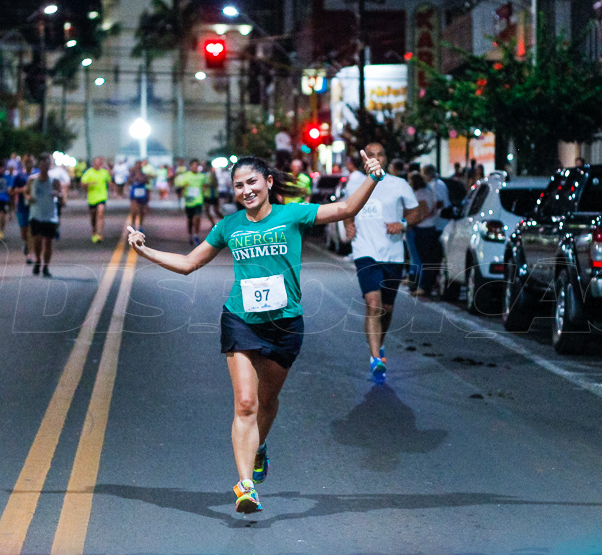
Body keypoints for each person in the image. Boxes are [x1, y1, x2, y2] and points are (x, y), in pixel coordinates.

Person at [125, 150, 386, 514]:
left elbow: (344, 210)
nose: (246, 190)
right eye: (238, 186)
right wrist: (144, 250)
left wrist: (374, 177)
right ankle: (246, 486)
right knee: (245, 402)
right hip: (241, 319)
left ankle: (259, 446)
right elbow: (188, 264)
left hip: (284, 324)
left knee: (268, 400)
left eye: (252, 182)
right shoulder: (228, 227)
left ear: (267, 183)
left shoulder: (292, 214)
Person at [344, 142, 423, 384]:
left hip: (392, 253)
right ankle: (376, 358)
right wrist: (348, 223)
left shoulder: (398, 184)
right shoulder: (355, 182)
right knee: (373, 303)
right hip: (364, 250)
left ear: (386, 159)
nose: (376, 158)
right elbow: (347, 208)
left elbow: (416, 211)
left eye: (380, 154)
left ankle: (380, 342)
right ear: (364, 159)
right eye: (371, 155)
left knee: (386, 309)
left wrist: (403, 224)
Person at [27, 153, 62, 277]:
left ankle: (46, 267)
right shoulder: (32, 179)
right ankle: (37, 260)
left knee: (48, 242)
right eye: (42, 164)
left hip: (50, 215)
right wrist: (29, 198)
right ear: (39, 165)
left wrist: (56, 193)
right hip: (36, 214)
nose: (44, 167)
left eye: (47, 164)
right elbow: (26, 193)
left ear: (49, 165)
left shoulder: (54, 180)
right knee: (37, 240)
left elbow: (60, 194)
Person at [408, 172, 442, 298]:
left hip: (422, 229)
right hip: (431, 227)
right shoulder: (428, 192)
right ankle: (426, 284)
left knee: (422, 259)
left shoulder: (418, 194)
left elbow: (423, 212)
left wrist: (413, 223)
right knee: (428, 259)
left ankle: (423, 286)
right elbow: (433, 208)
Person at [174, 158, 208, 246]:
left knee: (197, 218)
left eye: (196, 166)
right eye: (193, 166)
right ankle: (190, 235)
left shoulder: (202, 176)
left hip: (198, 200)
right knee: (189, 220)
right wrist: (183, 187)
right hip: (189, 201)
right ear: (190, 167)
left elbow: (204, 186)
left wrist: (204, 194)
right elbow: (179, 186)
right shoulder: (186, 176)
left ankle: (196, 235)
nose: (195, 168)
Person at [11, 154, 35, 265]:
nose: (29, 164)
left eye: (31, 162)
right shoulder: (19, 176)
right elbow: (11, 191)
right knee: (24, 232)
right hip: (22, 207)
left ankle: (30, 254)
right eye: (27, 162)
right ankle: (26, 243)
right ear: (24, 164)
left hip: (34, 207)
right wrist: (23, 190)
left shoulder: (37, 175)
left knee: (32, 230)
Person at [81, 156, 111, 243]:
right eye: (96, 163)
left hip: (102, 196)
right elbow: (83, 183)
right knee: (93, 216)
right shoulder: (89, 172)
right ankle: (94, 230)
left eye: (100, 163)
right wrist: (89, 184)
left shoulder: (104, 172)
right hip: (92, 198)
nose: (98, 165)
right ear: (93, 164)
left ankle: (99, 233)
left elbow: (109, 181)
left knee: (100, 214)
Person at [127, 162, 149, 229]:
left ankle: (140, 225)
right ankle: (133, 224)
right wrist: (135, 177)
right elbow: (129, 181)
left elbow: (147, 181)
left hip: (142, 194)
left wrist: (141, 179)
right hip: (134, 194)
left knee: (141, 211)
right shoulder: (132, 174)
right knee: (134, 210)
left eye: (139, 165)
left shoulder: (144, 174)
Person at [203, 162, 224, 228]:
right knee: (206, 210)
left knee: (216, 211)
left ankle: (226, 222)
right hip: (207, 195)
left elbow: (215, 184)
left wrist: (207, 185)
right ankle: (213, 223)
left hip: (213, 194)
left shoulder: (213, 173)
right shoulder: (203, 174)